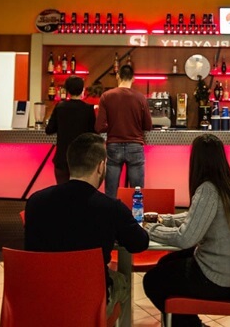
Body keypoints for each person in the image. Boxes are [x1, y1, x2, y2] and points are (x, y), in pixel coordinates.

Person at [25, 133, 149, 321]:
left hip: (42, 299)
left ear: (70, 164)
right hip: (89, 301)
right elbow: (140, 243)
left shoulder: (35, 202)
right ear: (101, 166)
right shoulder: (111, 208)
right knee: (122, 282)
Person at [142, 134, 230, 327]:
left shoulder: (209, 190)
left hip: (216, 279)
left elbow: (186, 238)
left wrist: (151, 229)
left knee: (152, 281)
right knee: (166, 263)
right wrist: (166, 220)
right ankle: (191, 323)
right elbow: (198, 216)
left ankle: (190, 325)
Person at [95, 64, 153, 197]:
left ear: (117, 76)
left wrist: (113, 125)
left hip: (113, 146)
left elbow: (98, 127)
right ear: (133, 78)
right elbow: (148, 125)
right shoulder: (140, 98)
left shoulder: (106, 96)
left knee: (111, 193)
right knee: (137, 192)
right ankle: (135, 211)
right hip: (135, 146)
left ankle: (111, 211)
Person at [45, 76, 96, 184]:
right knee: (79, 191)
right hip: (82, 158)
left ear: (67, 90)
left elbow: (49, 129)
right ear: (82, 90)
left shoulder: (60, 107)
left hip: (62, 158)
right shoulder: (88, 109)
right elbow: (93, 133)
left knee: (62, 190)